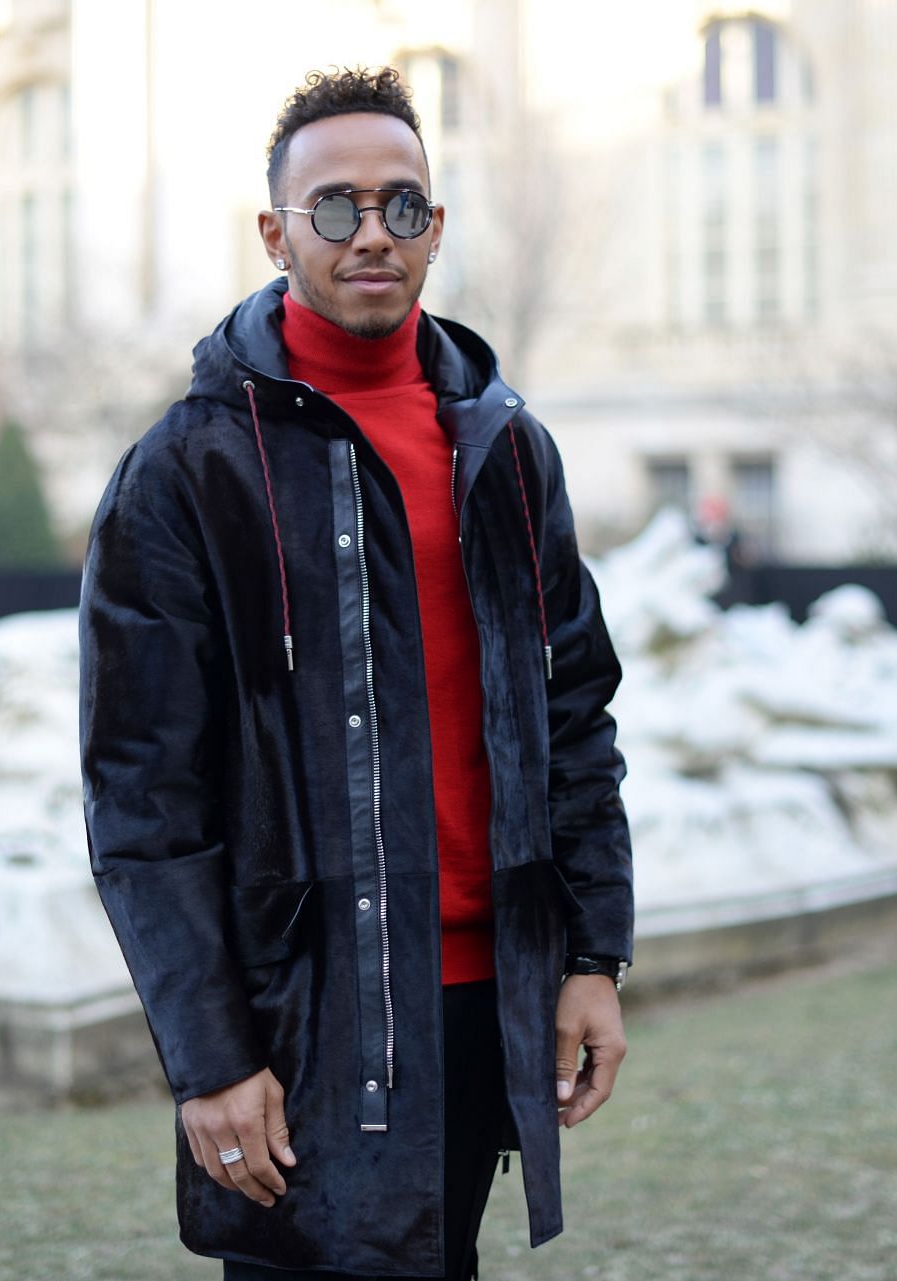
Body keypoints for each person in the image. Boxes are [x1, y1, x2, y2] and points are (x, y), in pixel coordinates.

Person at [77, 67, 634, 1281]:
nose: (371, 232)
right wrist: (210, 1054)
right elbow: (141, 797)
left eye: (402, 205)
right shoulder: (185, 472)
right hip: (300, 1018)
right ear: (275, 233)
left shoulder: (507, 446)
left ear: (436, 227)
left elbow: (572, 713)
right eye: (334, 208)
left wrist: (592, 956)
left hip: (488, 999)